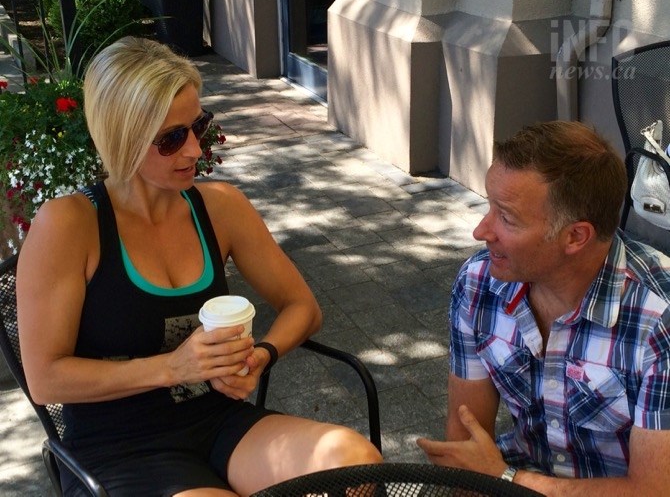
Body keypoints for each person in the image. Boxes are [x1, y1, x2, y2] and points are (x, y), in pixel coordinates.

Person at [16, 36, 382, 496]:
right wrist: (172, 367)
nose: (195, 150)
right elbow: (46, 379)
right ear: (122, 137)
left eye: (198, 125)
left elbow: (301, 307)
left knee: (357, 466)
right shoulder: (70, 224)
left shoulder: (220, 206)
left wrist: (260, 356)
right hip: (119, 447)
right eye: (172, 138)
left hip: (217, 421)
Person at [416, 121, 670, 496]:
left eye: (506, 217)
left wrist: (506, 479)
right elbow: (465, 449)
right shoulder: (480, 282)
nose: (481, 231)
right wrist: (483, 479)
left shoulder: (657, 320)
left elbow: (653, 490)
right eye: (490, 207)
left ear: (575, 236)